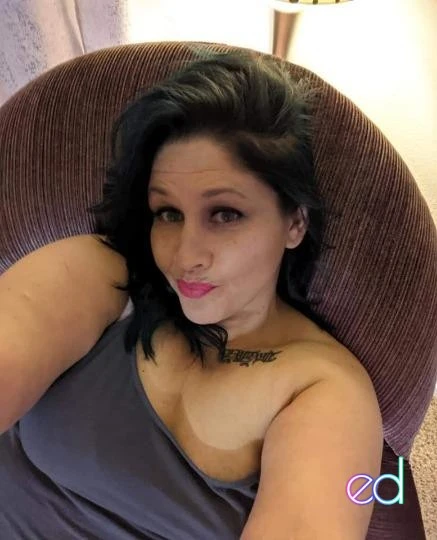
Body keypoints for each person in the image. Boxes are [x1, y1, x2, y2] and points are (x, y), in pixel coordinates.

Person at [0, 49, 383, 539]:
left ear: (294, 223)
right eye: (169, 213)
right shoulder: (99, 274)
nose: (186, 255)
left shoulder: (322, 390)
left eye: (224, 214)